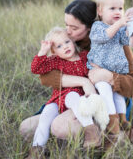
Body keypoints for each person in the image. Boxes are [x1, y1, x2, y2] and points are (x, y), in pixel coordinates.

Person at [19, 0, 133, 152]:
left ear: (90, 28)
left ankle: (123, 135)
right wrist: (83, 82)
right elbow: (46, 77)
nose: (68, 31)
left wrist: (110, 76)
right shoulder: (67, 43)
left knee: (59, 127)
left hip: (104, 103)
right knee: (26, 128)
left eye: (74, 27)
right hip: (72, 98)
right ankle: (80, 138)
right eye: (66, 25)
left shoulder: (114, 42)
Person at [27, 27, 105, 158]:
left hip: (77, 97)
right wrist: (43, 51)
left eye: (67, 42)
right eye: (59, 46)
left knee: (72, 96)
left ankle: (91, 130)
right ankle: (37, 149)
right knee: (45, 115)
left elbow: (97, 66)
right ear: (54, 51)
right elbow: (36, 68)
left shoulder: (84, 57)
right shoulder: (56, 61)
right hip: (57, 99)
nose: (65, 47)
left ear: (73, 41)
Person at [86, 0, 133, 146]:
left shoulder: (118, 28)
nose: (118, 12)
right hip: (98, 71)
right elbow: (103, 36)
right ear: (100, 11)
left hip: (116, 73)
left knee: (118, 95)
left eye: (120, 8)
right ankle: (113, 125)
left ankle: (123, 120)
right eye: (112, 9)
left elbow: (126, 42)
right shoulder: (97, 26)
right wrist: (119, 24)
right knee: (105, 92)